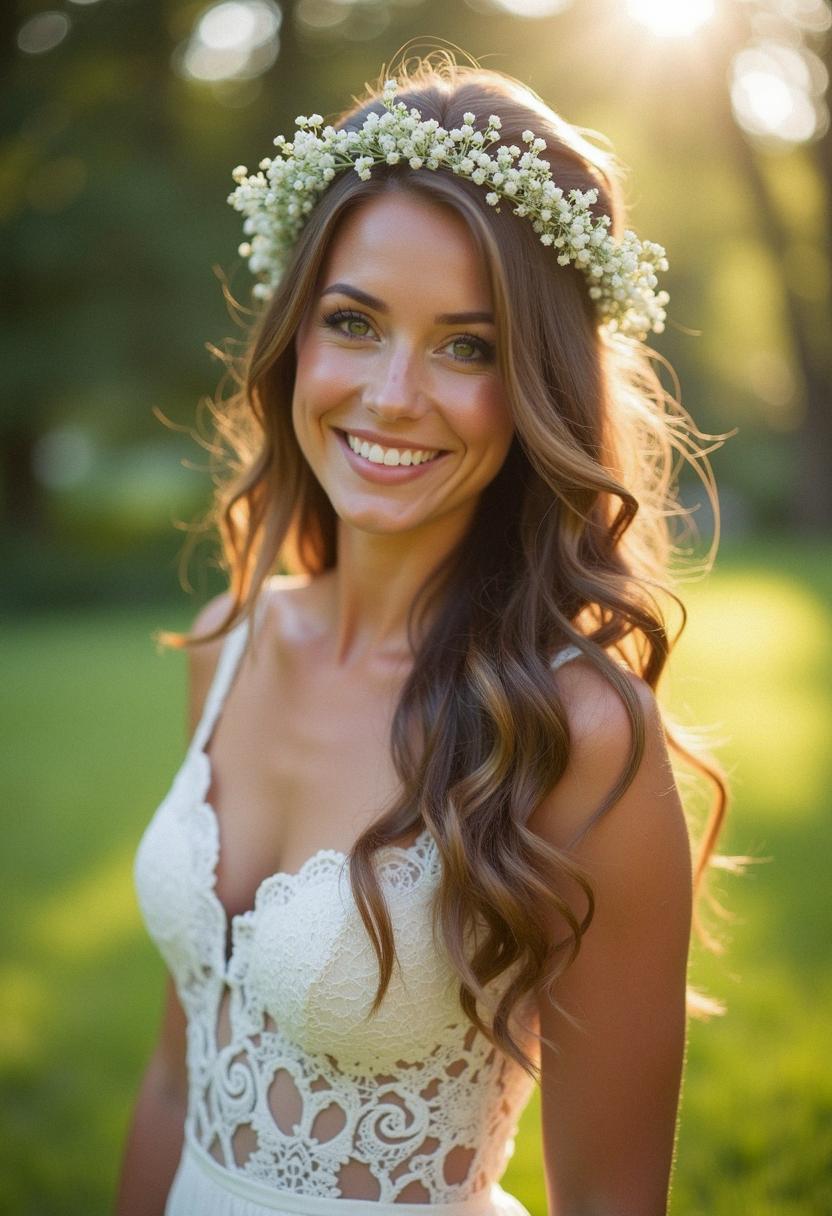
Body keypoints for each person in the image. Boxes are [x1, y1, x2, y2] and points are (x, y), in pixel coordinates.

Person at [116, 50, 732, 1216]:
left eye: (467, 345)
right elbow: (171, 1080)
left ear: (539, 382)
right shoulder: (226, 645)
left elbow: (611, 1198)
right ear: (296, 338)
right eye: (353, 322)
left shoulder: (577, 731)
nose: (394, 394)